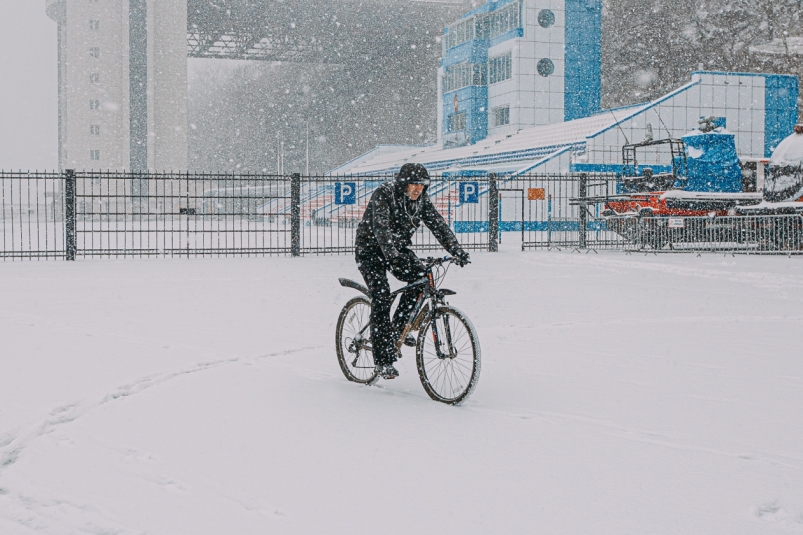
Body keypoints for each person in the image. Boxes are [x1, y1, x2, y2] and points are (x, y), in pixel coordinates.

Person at [355, 163, 470, 380]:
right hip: (370, 250)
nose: (418, 189)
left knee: (421, 278)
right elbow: (381, 227)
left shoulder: (421, 201)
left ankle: (398, 329)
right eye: (413, 184)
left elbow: (438, 224)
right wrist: (390, 252)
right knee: (381, 296)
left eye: (422, 185)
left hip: (397, 249)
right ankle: (383, 360)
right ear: (402, 184)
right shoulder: (385, 194)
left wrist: (457, 250)